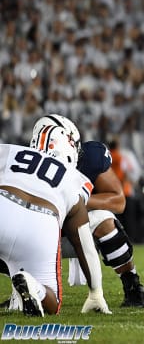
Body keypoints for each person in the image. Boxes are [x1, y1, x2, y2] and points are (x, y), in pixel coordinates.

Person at [32, 114, 144, 308]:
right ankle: (21, 291)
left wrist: (76, 202)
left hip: (78, 228)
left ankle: (132, 285)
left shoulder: (89, 158)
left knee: (105, 220)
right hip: (45, 233)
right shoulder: (30, 161)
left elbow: (119, 201)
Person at [0, 125, 110, 316]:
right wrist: (96, 293)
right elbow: (84, 245)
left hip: (3, 204)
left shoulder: (10, 150)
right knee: (52, 304)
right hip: (42, 223)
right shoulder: (75, 179)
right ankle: (34, 286)